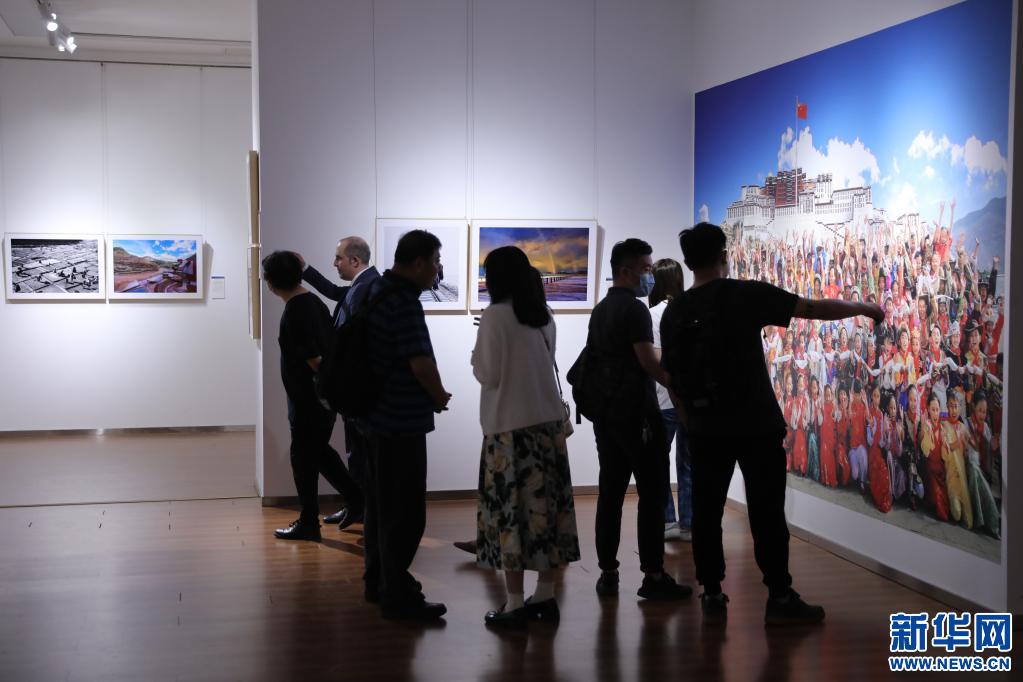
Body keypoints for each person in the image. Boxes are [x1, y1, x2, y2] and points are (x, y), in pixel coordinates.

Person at [660, 222, 883, 626]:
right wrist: (863, 308)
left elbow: (671, 377)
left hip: (706, 427)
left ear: (689, 263)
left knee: (706, 514)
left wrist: (691, 419)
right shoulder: (745, 294)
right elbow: (812, 309)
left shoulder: (675, 312)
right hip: (755, 423)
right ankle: (779, 596)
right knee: (767, 514)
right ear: (724, 255)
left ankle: (712, 592)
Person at [471, 248, 580, 629]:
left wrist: (475, 353)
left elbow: (488, 374)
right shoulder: (543, 314)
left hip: (509, 430)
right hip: (548, 428)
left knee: (511, 515)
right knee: (548, 513)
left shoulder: (495, 316)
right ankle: (546, 595)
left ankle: (514, 603)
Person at [586, 238, 692, 601]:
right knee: (651, 494)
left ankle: (608, 572)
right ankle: (653, 574)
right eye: (646, 269)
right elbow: (648, 361)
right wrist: (676, 384)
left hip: (607, 416)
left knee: (610, 495)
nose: (651, 275)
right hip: (639, 417)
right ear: (626, 271)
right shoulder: (635, 310)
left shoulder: (601, 310)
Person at [360, 230, 452, 621]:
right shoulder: (404, 302)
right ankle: (398, 594)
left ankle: (378, 581)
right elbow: (420, 363)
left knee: (381, 507)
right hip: (400, 420)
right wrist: (439, 395)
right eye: (435, 261)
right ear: (418, 262)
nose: (437, 269)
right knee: (406, 513)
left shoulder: (375, 290)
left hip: (372, 417)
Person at [261, 251, 365, 541]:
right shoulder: (312, 302)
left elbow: (315, 359)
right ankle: (357, 499)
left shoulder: (296, 311)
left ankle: (309, 522)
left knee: (303, 459)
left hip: (310, 400)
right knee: (318, 454)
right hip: (319, 399)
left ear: (271, 283)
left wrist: (327, 388)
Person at [296, 236, 379, 529]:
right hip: (353, 386)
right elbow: (333, 292)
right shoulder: (361, 285)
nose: (335, 263)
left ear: (354, 260)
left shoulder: (367, 287)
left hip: (358, 388)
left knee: (361, 453)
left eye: (338, 258)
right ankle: (356, 506)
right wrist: (305, 269)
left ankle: (363, 510)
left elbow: (358, 342)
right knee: (355, 451)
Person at [648, 258, 692, 542]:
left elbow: (656, 357)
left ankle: (667, 520)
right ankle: (688, 523)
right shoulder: (690, 310)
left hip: (663, 397)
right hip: (690, 397)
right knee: (688, 463)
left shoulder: (653, 314)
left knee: (658, 463)